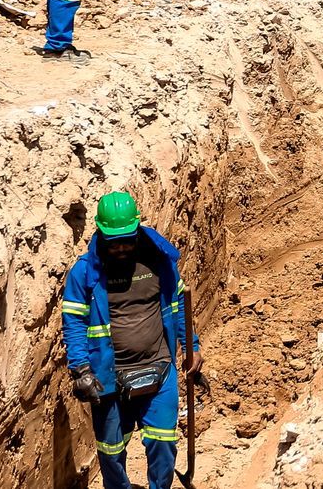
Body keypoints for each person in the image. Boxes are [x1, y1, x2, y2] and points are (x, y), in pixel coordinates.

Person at [61, 191, 200, 489]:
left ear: (137, 228)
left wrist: (191, 347)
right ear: (100, 232)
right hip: (109, 378)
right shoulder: (85, 273)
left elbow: (179, 307)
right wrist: (81, 370)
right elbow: (73, 322)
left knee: (163, 442)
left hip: (159, 369)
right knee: (111, 451)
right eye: (114, 243)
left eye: (127, 239)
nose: (122, 247)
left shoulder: (160, 261)